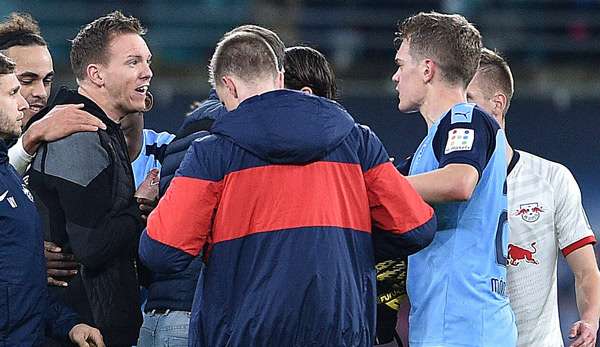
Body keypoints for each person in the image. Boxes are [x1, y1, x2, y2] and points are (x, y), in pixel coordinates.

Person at [140, 29, 437, 347]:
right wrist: (347, 241)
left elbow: (161, 251)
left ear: (228, 85)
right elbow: (416, 226)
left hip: (241, 331)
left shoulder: (212, 153)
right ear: (280, 75)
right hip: (341, 329)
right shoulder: (359, 142)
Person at [137, 25, 284, 347]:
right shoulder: (237, 144)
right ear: (276, 76)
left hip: (158, 313)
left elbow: (160, 247)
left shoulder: (187, 134)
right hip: (202, 316)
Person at [391, 12, 517, 346]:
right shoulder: (433, 144)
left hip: (463, 323)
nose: (395, 76)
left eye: (401, 65)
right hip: (449, 320)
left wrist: (383, 186)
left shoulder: (466, 117)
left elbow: (459, 181)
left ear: (427, 69)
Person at [27, 11, 151, 346]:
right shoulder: (79, 131)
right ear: (96, 74)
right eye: (133, 62)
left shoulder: (101, 129)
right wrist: (141, 206)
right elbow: (93, 246)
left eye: (147, 61)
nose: (147, 71)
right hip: (80, 329)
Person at [466, 48, 600, 347]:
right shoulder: (441, 182)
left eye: (468, 99)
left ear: (497, 104)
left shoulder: (552, 179)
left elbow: (586, 270)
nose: (457, 112)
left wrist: (590, 320)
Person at [0, 52, 104, 347]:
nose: (24, 103)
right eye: (12, 93)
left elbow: (21, 286)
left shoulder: (8, 175)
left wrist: (68, 324)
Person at [0, 12, 104, 176]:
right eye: (27, 81)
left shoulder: (59, 141)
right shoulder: (32, 137)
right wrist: (29, 140)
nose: (41, 93)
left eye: (47, 81)